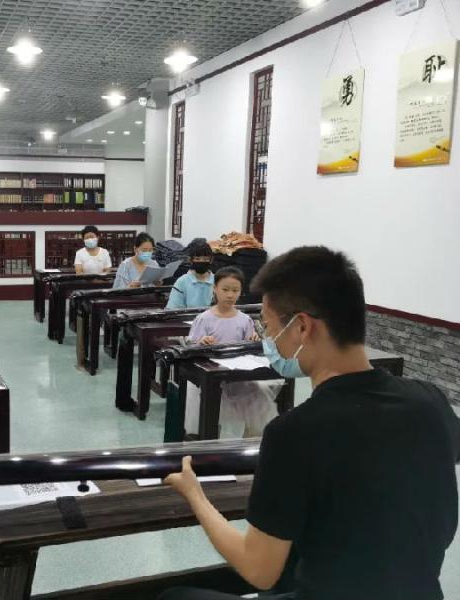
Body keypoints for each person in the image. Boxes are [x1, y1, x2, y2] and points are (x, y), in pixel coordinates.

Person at [161, 246, 460, 600]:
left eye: (269, 326)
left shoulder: (294, 432)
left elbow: (258, 570)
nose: (268, 339)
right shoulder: (431, 401)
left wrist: (195, 494)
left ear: (302, 327)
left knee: (174, 596)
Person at [184, 267, 275, 438]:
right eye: (225, 289)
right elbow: (191, 347)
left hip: (238, 376)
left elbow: (250, 348)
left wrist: (253, 340)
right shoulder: (204, 318)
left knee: (259, 399)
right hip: (211, 378)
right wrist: (201, 342)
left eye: (235, 290)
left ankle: (248, 445)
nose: (230, 295)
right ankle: (210, 441)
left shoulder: (245, 319)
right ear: (215, 289)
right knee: (211, 410)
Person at [166, 239, 215, 309]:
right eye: (197, 259)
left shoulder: (218, 281)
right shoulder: (182, 282)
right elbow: (174, 308)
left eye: (205, 259)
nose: (201, 261)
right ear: (190, 260)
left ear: (211, 260)